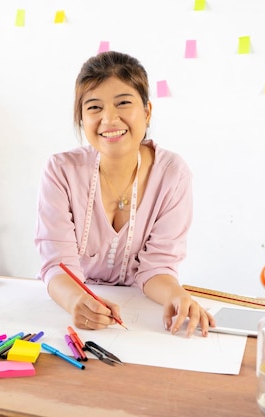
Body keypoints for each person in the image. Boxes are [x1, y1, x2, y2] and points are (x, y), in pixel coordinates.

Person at [34, 51, 215, 337]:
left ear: (147, 111)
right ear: (81, 118)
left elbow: (157, 266)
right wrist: (76, 301)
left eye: (123, 103)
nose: (109, 119)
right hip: (70, 309)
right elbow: (58, 266)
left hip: (140, 313)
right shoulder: (60, 170)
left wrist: (176, 296)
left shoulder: (172, 174)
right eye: (94, 107)